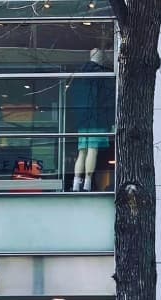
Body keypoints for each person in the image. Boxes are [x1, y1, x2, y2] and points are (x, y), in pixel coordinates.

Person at [67, 47, 114, 192]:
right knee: (92, 150)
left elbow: (72, 97)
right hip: (97, 118)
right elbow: (108, 99)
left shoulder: (78, 75)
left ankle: (76, 183)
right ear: (100, 58)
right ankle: (87, 183)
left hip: (83, 119)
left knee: (82, 151)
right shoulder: (102, 75)